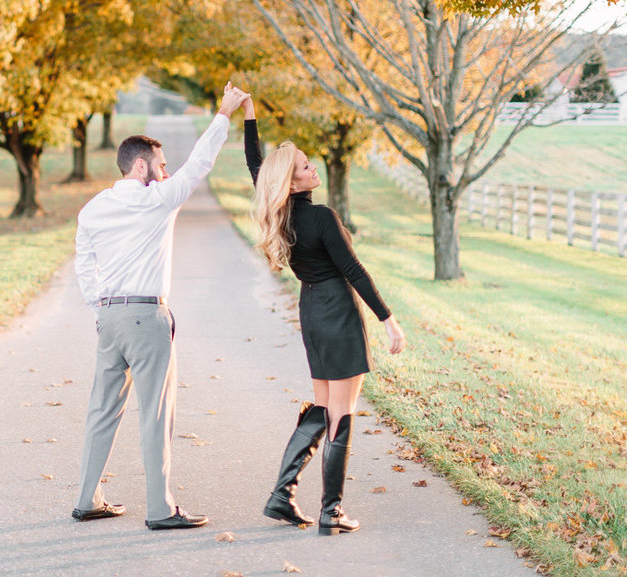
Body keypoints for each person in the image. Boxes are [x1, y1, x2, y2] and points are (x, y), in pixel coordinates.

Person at [71, 83, 250, 530]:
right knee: (155, 414)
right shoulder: (158, 200)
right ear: (140, 165)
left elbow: (83, 265)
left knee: (101, 409)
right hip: (147, 317)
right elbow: (201, 162)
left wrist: (99, 311)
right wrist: (224, 112)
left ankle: (87, 498)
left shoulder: (93, 209)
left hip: (109, 318)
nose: (168, 173)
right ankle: (160, 508)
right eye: (161, 165)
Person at [243, 98, 405, 535]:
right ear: (292, 184)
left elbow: (259, 170)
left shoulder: (283, 215)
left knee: (322, 407)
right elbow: (354, 271)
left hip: (312, 312)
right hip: (337, 310)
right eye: (304, 167)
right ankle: (332, 511)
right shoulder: (321, 218)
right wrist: (388, 318)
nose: (313, 168)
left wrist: (249, 116)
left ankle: (282, 496)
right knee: (341, 413)